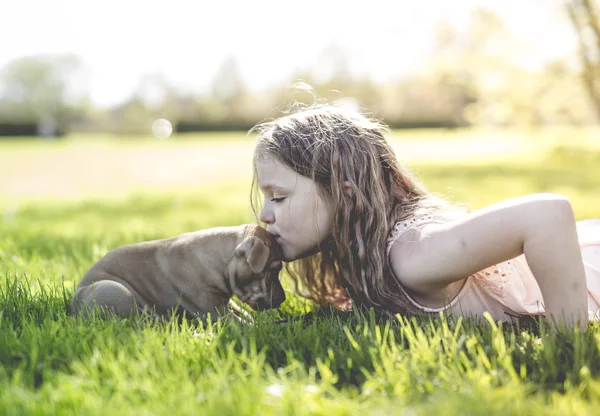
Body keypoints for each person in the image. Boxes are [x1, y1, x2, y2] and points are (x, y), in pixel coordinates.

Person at [249, 103, 600, 331]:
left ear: (345, 193)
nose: (265, 215)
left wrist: (569, 345)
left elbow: (547, 214)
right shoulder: (366, 248)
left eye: (278, 197)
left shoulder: (412, 256)